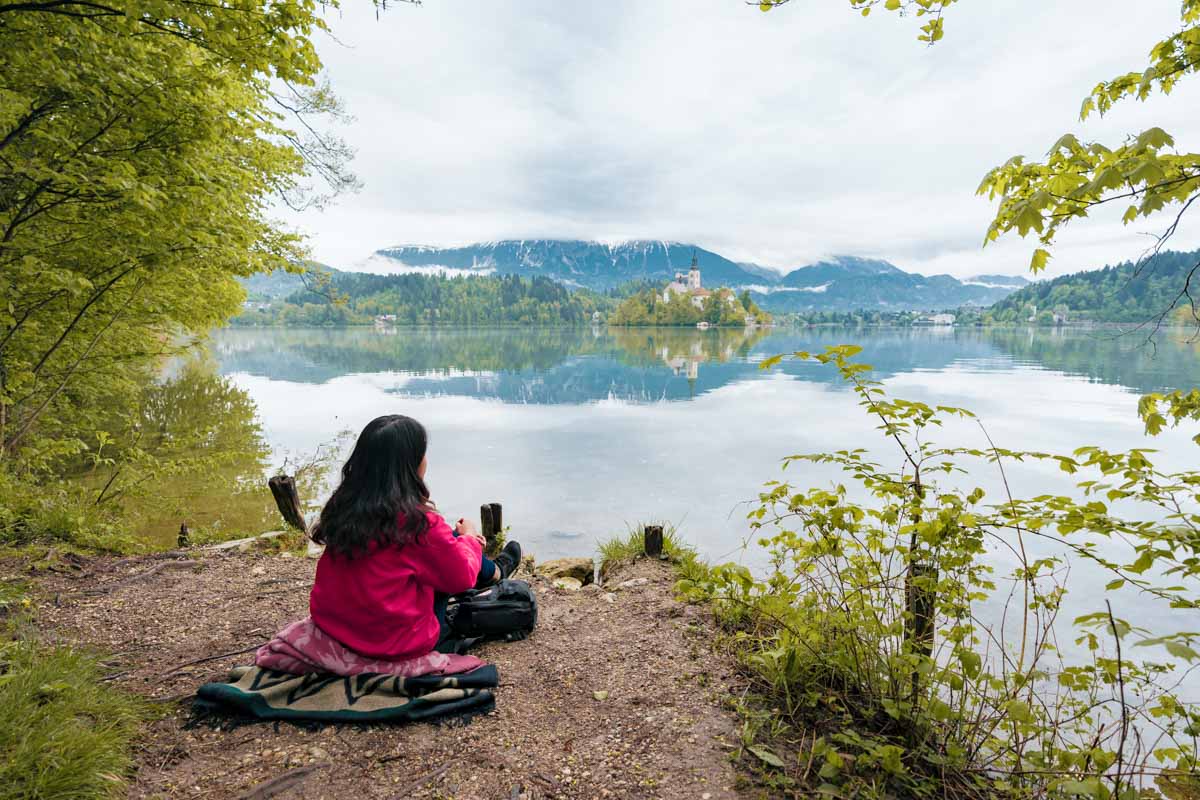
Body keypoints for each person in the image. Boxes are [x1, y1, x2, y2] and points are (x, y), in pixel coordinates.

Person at [307, 414, 522, 660]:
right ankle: (495, 573)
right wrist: (470, 538)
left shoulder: (343, 508)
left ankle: (493, 572)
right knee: (453, 549)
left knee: (444, 547)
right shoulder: (417, 524)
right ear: (411, 465)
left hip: (334, 630)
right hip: (390, 645)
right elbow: (461, 577)